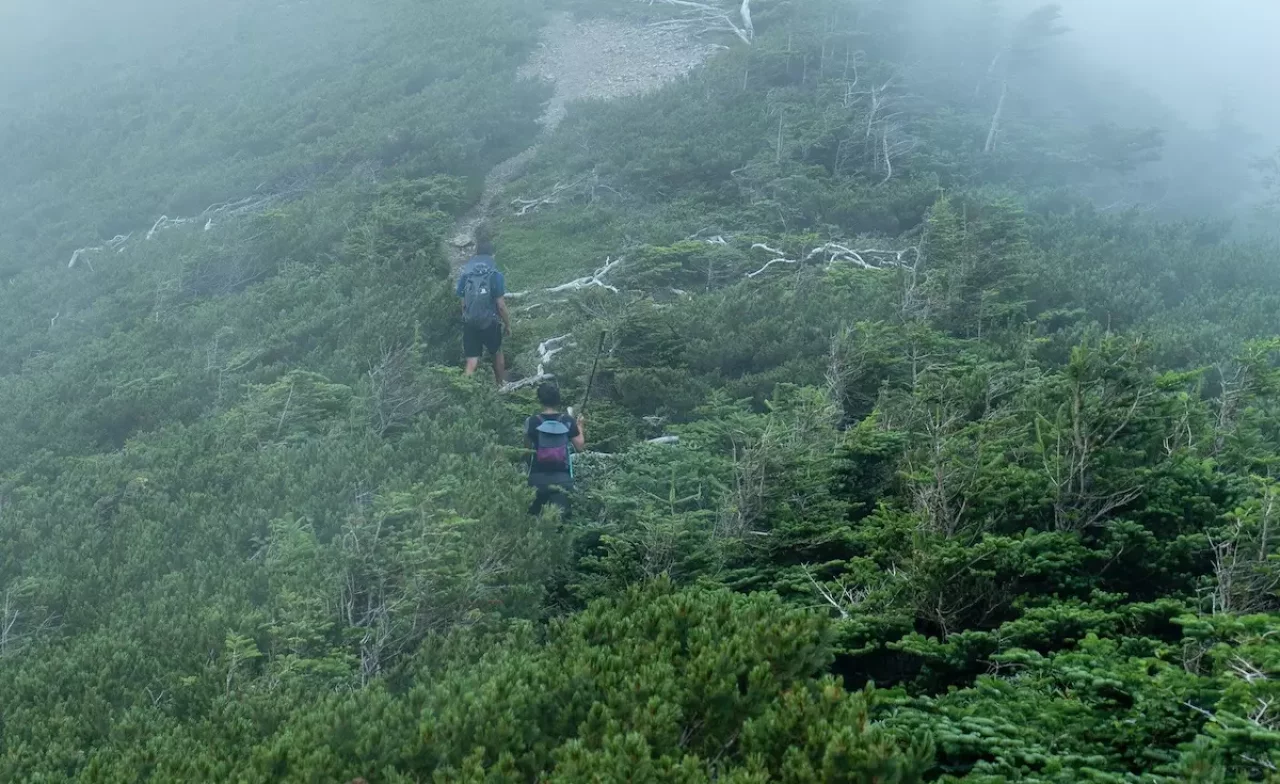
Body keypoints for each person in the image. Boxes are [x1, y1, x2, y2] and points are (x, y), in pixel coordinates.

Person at [456, 228, 511, 387]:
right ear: (492, 255)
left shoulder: (466, 274)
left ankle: (463, 389)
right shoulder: (495, 274)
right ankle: (501, 386)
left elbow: (463, 302)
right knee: (497, 352)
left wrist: (467, 318)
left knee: (472, 361)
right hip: (490, 322)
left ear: (476, 255)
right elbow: (500, 306)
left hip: (470, 322)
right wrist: (507, 325)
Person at [525, 382, 586, 518]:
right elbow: (580, 447)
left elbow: (526, 451)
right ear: (558, 399)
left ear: (539, 399)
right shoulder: (568, 421)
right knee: (560, 524)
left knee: (534, 523)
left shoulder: (532, 421)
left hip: (537, 479)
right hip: (562, 479)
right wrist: (580, 426)